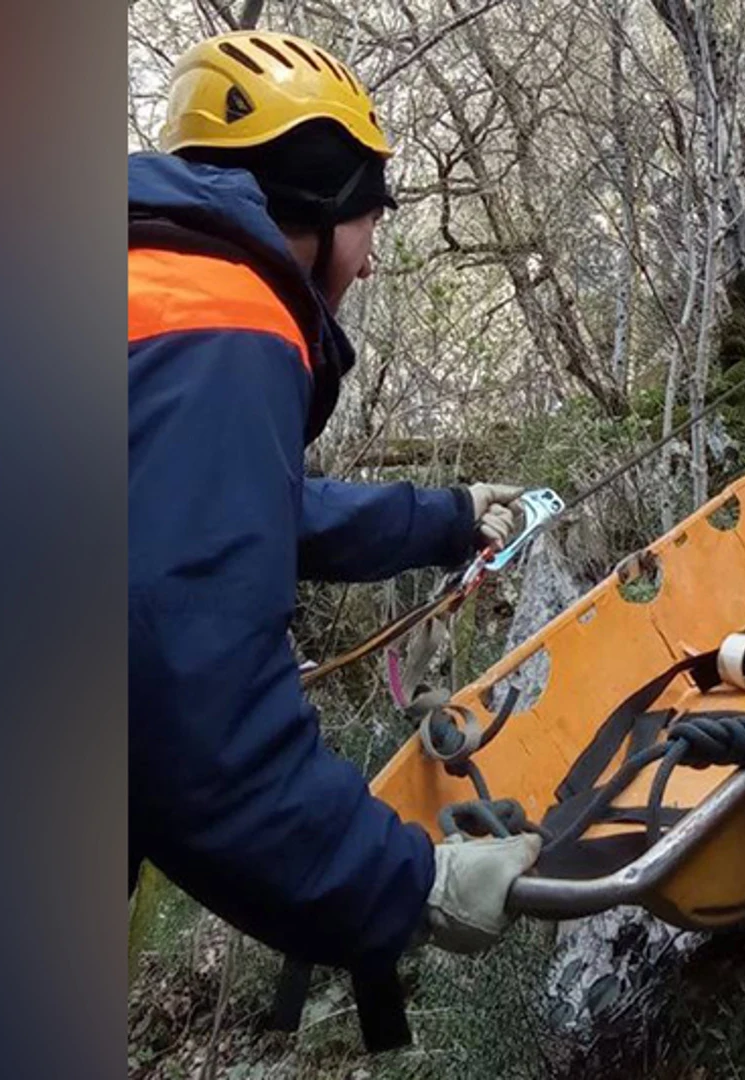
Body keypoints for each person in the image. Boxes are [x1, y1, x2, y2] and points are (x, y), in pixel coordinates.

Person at [127, 28, 542, 993]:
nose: (367, 259)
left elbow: (244, 514)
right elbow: (185, 689)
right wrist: (405, 882)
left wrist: (445, 515)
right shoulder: (221, 315)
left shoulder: (146, 285)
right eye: (371, 219)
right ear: (314, 205)